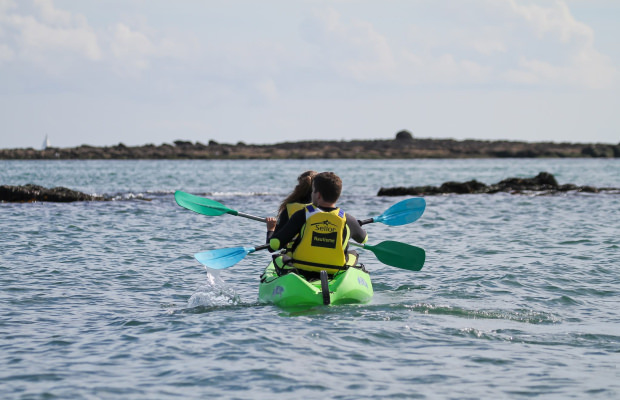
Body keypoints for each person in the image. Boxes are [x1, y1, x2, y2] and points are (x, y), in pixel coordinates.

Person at [268, 171, 368, 277]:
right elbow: (364, 239)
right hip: (334, 270)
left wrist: (271, 230)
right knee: (353, 254)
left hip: (302, 269)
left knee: (279, 257)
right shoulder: (348, 219)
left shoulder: (302, 215)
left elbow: (274, 244)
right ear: (338, 195)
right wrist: (355, 226)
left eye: (313, 191)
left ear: (318, 195)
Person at [265, 170, 317, 242]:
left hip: (293, 252)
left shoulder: (290, 209)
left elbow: (271, 246)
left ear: (299, 186)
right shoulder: (321, 209)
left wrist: (271, 228)